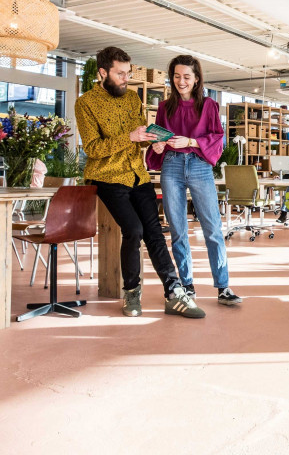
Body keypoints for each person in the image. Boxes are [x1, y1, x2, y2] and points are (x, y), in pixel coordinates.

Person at [75, 46, 202, 319]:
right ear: (102, 73)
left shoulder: (133, 99)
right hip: (107, 176)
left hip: (138, 174)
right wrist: (130, 137)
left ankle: (174, 293)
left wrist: (153, 142)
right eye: (120, 74)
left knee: (154, 232)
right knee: (133, 230)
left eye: (128, 73)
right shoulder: (85, 103)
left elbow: (140, 137)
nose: (126, 79)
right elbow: (93, 149)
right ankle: (131, 292)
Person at [146, 55, 241, 306]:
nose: (181, 81)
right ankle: (186, 286)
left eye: (187, 76)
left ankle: (223, 286)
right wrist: (157, 146)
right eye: (177, 76)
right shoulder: (164, 107)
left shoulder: (209, 105)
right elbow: (159, 138)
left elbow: (217, 138)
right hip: (171, 166)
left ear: (197, 79)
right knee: (178, 231)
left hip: (199, 166)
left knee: (213, 229)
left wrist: (190, 141)